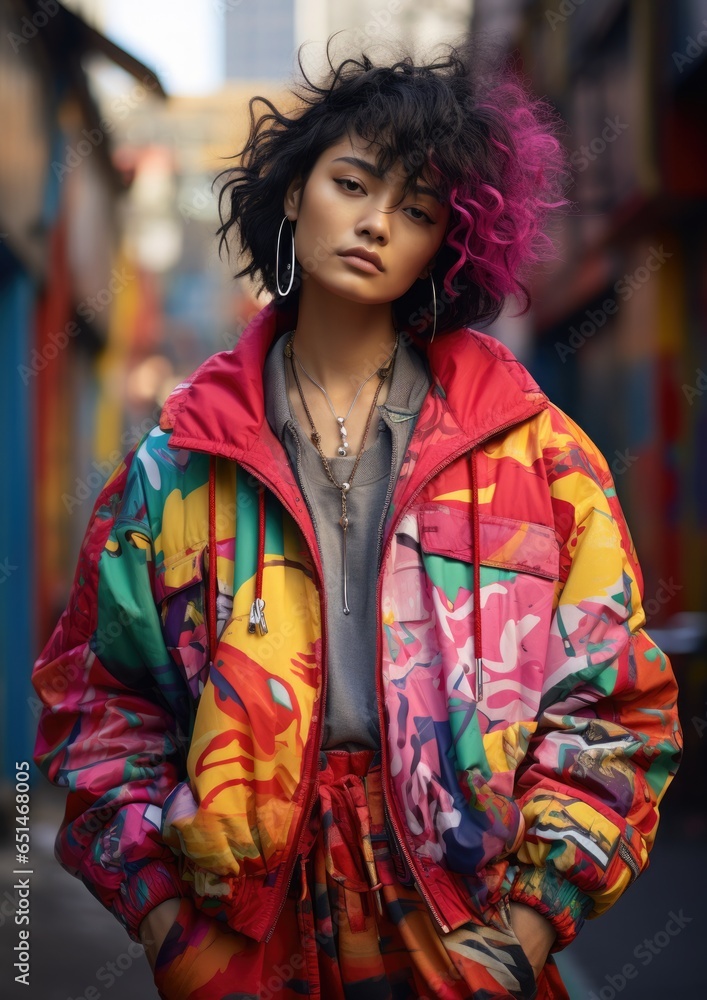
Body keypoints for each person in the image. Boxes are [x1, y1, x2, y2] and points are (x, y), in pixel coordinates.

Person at [31, 37, 682, 1000]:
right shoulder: (178, 462)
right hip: (246, 923)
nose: (378, 222)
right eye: (353, 183)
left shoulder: (534, 456)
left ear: (444, 243)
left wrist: (528, 929)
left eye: (416, 211)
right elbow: (98, 707)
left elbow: (612, 707)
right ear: (294, 193)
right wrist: (170, 925)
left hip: (464, 919)